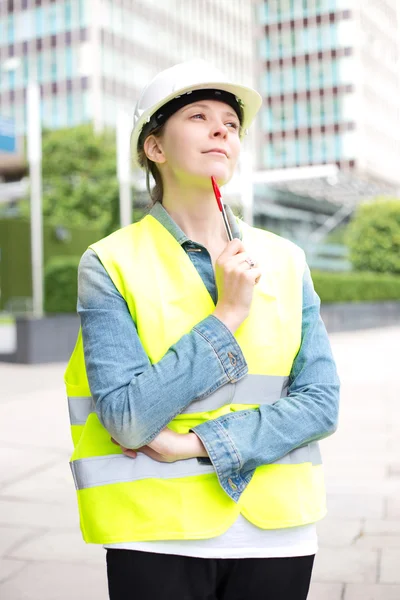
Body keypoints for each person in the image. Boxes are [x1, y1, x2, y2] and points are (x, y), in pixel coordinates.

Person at [65, 59, 340, 600]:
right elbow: (126, 417)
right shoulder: (108, 262)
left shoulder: (286, 259)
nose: (222, 129)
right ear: (156, 148)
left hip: (278, 535)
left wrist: (197, 444)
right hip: (154, 533)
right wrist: (227, 316)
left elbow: (322, 403)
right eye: (199, 116)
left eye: (232, 124)